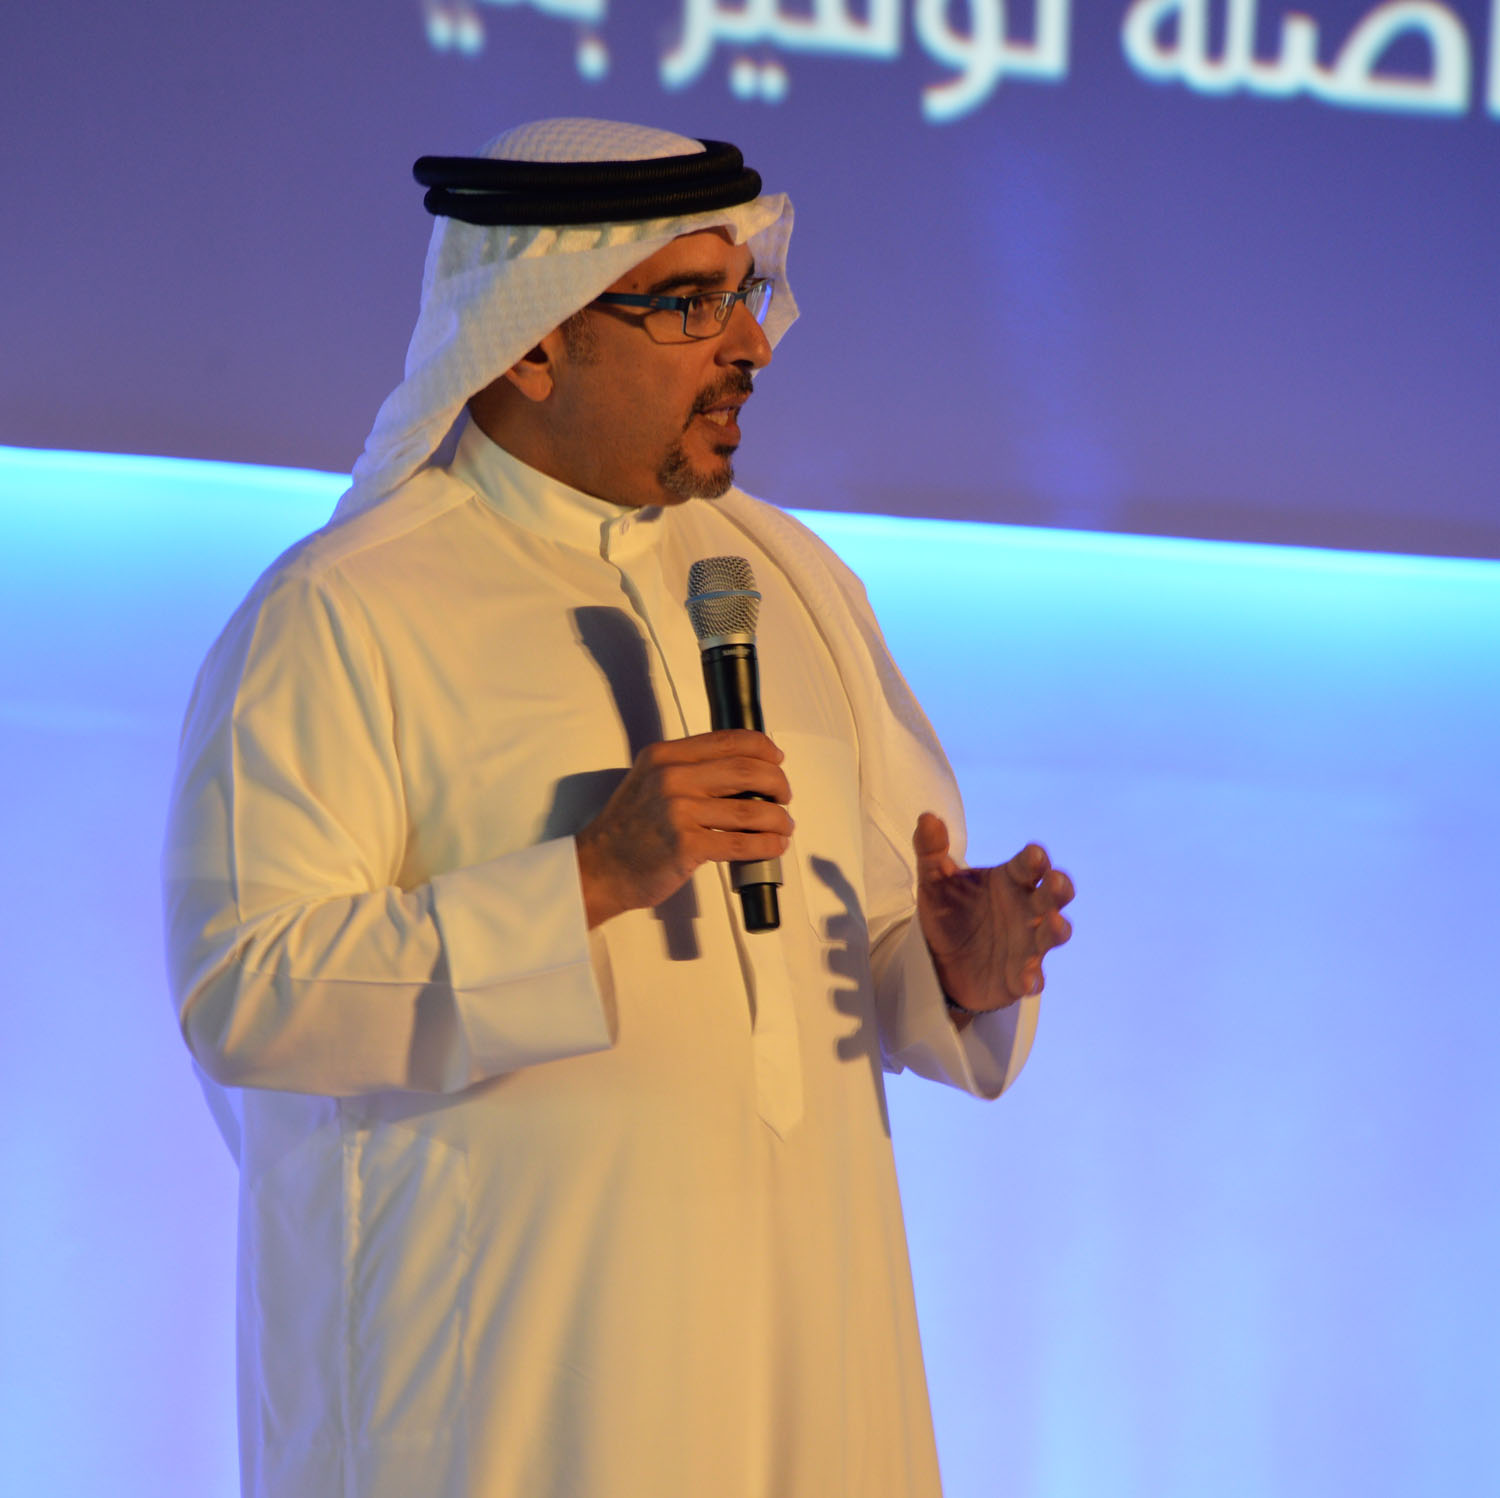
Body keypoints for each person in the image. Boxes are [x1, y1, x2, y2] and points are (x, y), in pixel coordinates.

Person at [162, 118, 1074, 1498]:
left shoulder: (794, 581)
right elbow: (245, 990)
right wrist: (587, 878)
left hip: (809, 1364)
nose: (750, 346)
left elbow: (858, 950)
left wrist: (951, 967)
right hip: (512, 1399)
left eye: (744, 295)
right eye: (690, 305)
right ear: (532, 341)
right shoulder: (345, 610)